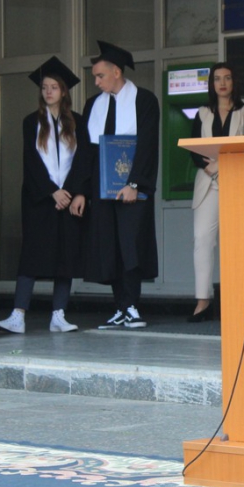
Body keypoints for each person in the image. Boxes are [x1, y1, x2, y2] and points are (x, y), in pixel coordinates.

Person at [0, 57, 88, 334]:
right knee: (31, 255)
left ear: (64, 91)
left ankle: (58, 315)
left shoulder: (78, 122)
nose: (48, 92)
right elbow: (31, 161)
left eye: (54, 87)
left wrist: (72, 192)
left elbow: (84, 160)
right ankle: (18, 315)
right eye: (45, 87)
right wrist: (52, 191)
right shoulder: (31, 122)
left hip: (68, 199)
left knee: (65, 258)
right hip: (40, 200)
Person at [82, 41, 159, 329]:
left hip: (132, 189)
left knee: (131, 246)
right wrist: (81, 190)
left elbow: (148, 146)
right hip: (102, 190)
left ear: (116, 72)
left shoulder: (144, 100)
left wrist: (134, 183)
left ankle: (132, 305)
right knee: (110, 247)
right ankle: (120, 307)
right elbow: (86, 152)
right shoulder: (93, 105)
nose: (97, 82)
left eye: (100, 76)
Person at [189, 63, 244, 322]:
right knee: (202, 240)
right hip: (207, 181)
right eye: (217, 78)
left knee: (237, 243)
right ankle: (203, 301)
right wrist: (210, 166)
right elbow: (193, 147)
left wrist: (221, 164)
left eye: (227, 78)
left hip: (236, 183)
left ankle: (239, 300)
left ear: (234, 82)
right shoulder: (202, 113)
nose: (222, 83)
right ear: (211, 84)